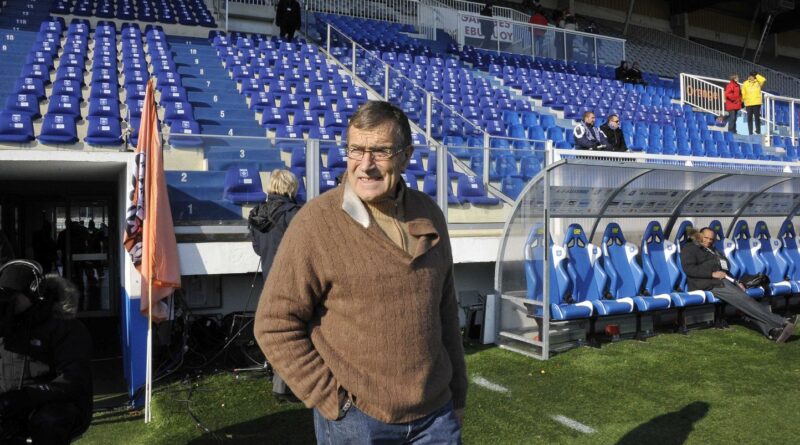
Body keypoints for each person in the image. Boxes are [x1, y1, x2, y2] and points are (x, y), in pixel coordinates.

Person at [254, 101, 467, 443]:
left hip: (436, 420)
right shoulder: (316, 222)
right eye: (356, 149)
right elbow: (273, 323)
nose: (365, 165)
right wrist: (333, 400)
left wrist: (458, 392)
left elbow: (444, 311)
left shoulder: (429, 213)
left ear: (406, 156)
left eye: (380, 151)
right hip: (357, 423)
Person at [0, 260, 93, 444]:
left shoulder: (64, 326)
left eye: (13, 297)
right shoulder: (6, 325)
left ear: (35, 292)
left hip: (52, 406)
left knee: (51, 420)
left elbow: (74, 381)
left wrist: (27, 396)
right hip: (9, 406)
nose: (7, 303)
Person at [680, 227, 796, 343]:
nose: (709, 241)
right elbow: (689, 269)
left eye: (711, 239)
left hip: (721, 281)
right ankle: (781, 322)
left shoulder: (713, 250)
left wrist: (736, 282)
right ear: (700, 235)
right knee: (745, 300)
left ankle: (773, 332)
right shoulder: (690, 248)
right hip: (705, 283)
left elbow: (725, 270)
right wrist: (712, 273)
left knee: (744, 304)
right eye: (706, 238)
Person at [248, 169, 302, 402]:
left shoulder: (256, 213)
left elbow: (258, 249)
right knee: (294, 334)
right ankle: (284, 387)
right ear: (291, 188)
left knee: (278, 333)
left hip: (269, 279)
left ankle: (279, 380)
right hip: (293, 282)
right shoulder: (294, 214)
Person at [741, 71, 766, 135]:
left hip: (756, 103)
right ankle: (750, 132)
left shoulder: (758, 82)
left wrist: (757, 75)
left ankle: (758, 131)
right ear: (749, 76)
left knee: (757, 117)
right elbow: (743, 93)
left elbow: (763, 80)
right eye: (751, 76)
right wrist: (742, 101)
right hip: (749, 103)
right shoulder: (745, 83)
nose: (752, 77)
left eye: (753, 76)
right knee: (749, 118)